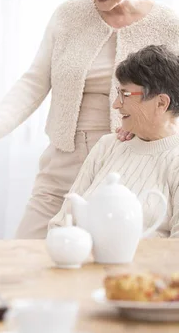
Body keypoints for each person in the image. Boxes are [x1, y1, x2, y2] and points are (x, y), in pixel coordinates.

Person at [0, 0, 179, 239]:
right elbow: (35, 80)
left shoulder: (169, 24)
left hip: (127, 162)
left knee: (102, 260)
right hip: (62, 161)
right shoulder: (69, 15)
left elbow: (172, 97)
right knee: (26, 252)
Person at [49, 45, 179, 237]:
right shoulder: (108, 145)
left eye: (125, 95)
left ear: (161, 103)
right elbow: (63, 221)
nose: (116, 104)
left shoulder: (174, 160)